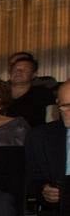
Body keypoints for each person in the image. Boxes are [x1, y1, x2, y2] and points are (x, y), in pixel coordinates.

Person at [25, 80, 70, 208]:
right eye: (66, 106)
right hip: (59, 213)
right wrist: (44, 189)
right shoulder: (40, 136)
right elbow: (31, 178)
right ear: (58, 104)